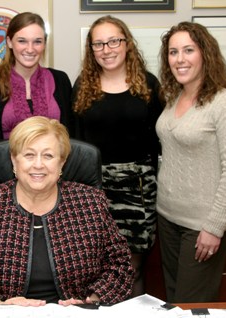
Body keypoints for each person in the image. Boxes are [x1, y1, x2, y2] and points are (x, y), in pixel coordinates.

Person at [0, 116, 133, 306]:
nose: (38, 165)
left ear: (62, 163)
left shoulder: (91, 203)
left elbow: (120, 264)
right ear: (14, 160)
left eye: (48, 156)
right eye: (29, 155)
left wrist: (91, 301)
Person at [72, 15, 164, 297]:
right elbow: (74, 144)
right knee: (98, 271)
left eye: (113, 41)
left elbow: (160, 140)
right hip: (95, 189)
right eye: (98, 44)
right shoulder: (82, 86)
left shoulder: (148, 84)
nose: (106, 49)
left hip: (139, 188)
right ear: (91, 50)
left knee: (132, 268)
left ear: (126, 44)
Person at [156, 21, 226, 302]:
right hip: (167, 218)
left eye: (188, 50)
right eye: (173, 52)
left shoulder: (223, 102)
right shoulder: (174, 98)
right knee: (174, 299)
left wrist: (214, 226)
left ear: (205, 54)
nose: (180, 59)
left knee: (191, 305)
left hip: (201, 225)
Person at [0, 12, 74, 140]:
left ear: (44, 44)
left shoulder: (60, 80)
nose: (30, 49)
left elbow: (71, 134)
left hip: (54, 159)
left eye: (37, 42)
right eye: (22, 41)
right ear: (9, 42)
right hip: (5, 159)